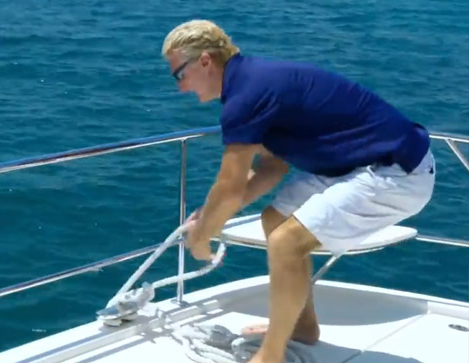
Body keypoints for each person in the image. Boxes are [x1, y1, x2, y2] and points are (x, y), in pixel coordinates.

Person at [161, 19, 435, 363]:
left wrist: (203, 236)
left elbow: (230, 186)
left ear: (204, 61)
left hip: (397, 172)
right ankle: (303, 326)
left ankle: (270, 357)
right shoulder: (250, 82)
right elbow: (272, 168)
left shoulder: (246, 96)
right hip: (362, 167)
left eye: (178, 75)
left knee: (286, 241)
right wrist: (212, 216)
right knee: (275, 220)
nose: (180, 88)